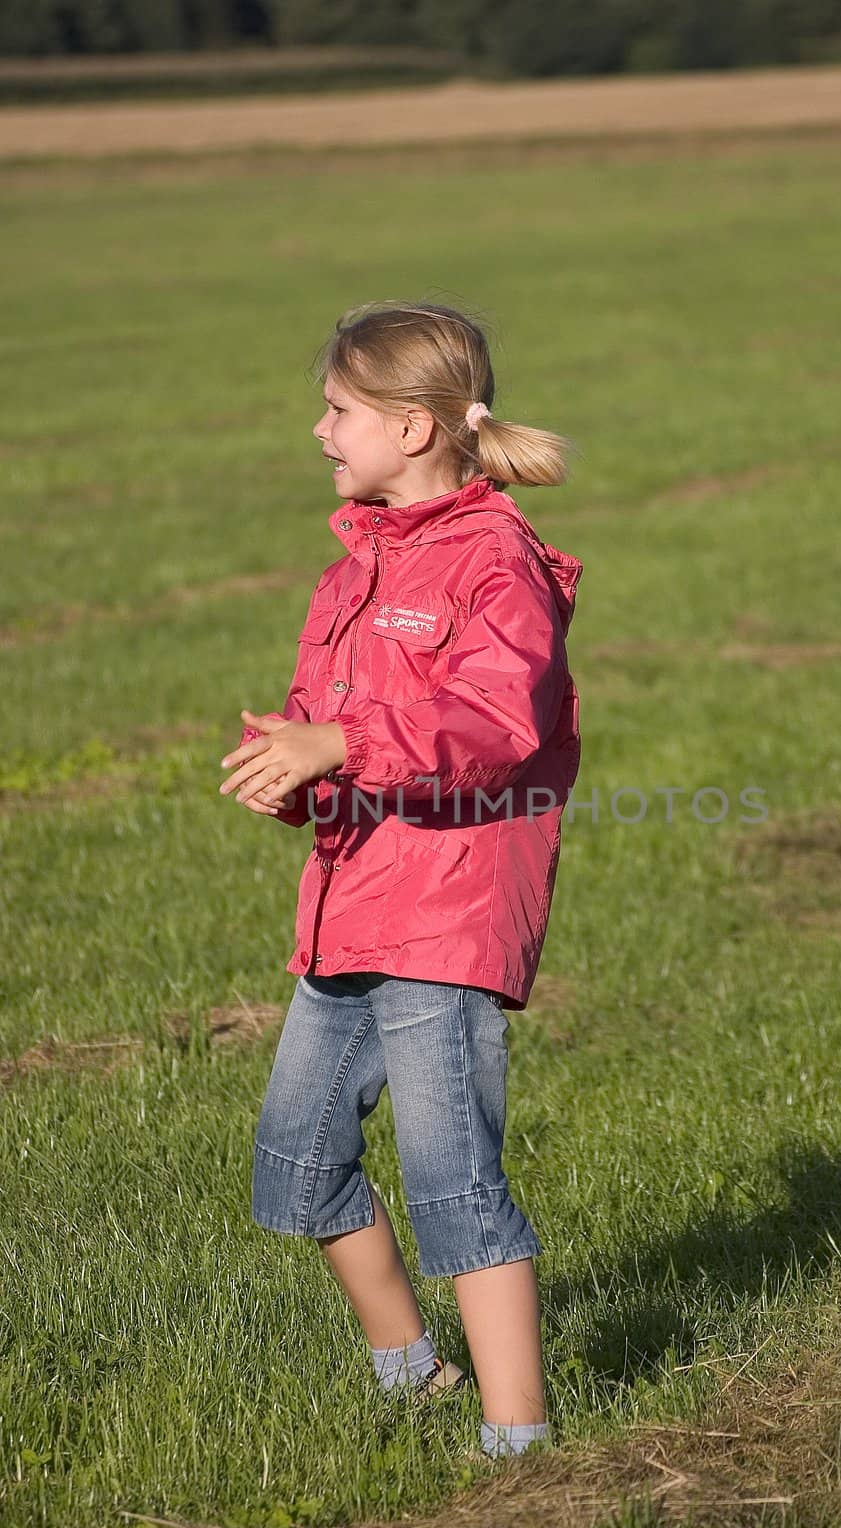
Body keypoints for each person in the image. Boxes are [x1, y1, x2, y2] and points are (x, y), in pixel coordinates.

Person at [217, 300, 582, 1461]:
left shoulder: (494, 561)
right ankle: (408, 1375)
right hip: (349, 907)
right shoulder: (352, 569)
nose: (319, 430)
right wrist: (297, 772)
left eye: (338, 408)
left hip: (448, 911)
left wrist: (342, 741)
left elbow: (490, 718)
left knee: (451, 1180)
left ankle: (518, 1443)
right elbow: (343, 739)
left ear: (416, 427)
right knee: (296, 1159)